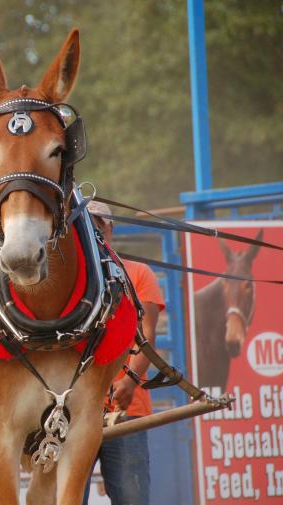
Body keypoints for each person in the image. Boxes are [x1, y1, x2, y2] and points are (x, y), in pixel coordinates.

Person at [82, 200, 165, 505]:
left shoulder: (138, 273)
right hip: (77, 409)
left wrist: (130, 380)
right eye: (85, 224)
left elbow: (148, 337)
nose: (93, 231)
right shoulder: (69, 280)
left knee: (132, 498)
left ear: (110, 229)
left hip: (127, 408)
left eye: (99, 225)